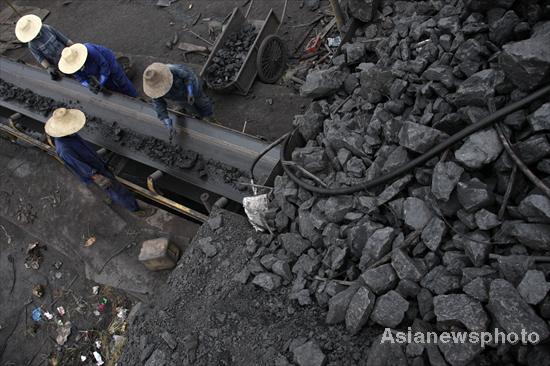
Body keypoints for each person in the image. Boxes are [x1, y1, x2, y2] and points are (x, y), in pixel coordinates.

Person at [45, 108, 153, 217]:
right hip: (95, 172)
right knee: (116, 190)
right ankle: (135, 209)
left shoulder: (70, 135)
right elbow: (81, 167)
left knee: (114, 188)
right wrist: (98, 177)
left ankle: (122, 198)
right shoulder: (65, 150)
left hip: (97, 163)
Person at [142, 62, 215, 129]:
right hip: (179, 98)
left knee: (203, 102)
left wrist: (190, 91)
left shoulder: (173, 69)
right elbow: (158, 103)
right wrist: (164, 118)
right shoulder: (153, 89)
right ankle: (199, 116)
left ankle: (209, 116)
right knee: (189, 107)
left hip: (193, 87)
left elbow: (188, 77)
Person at [58, 43, 137, 97]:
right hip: (95, 69)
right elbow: (81, 79)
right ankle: (123, 96)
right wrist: (89, 86)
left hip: (108, 61)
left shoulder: (90, 50)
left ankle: (134, 96)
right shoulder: (71, 67)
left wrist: (101, 81)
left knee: (120, 79)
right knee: (109, 85)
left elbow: (104, 65)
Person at [14, 14, 73, 80]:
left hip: (69, 54)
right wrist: (49, 68)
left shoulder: (47, 28)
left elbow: (63, 38)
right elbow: (41, 58)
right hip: (59, 64)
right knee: (71, 77)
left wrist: (74, 46)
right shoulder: (32, 45)